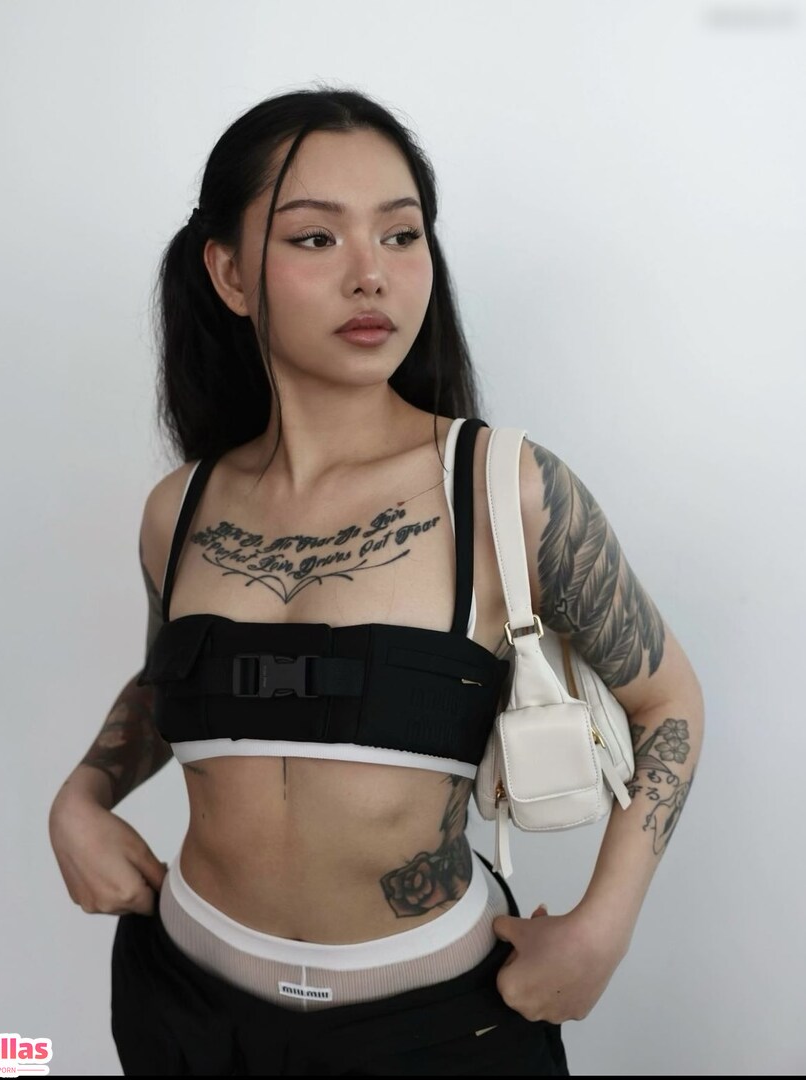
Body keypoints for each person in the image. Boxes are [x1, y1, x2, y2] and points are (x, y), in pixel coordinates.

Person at [48, 85, 704, 1076]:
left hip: (436, 1028)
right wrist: (81, 799)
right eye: (316, 238)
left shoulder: (505, 490)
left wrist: (602, 928)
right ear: (228, 273)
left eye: (401, 236)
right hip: (181, 1007)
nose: (372, 276)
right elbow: (168, 682)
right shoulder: (178, 510)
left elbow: (668, 701)